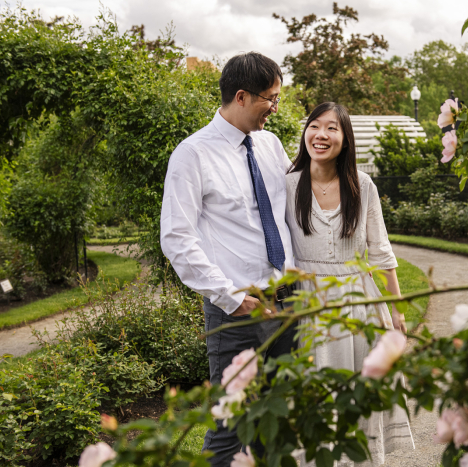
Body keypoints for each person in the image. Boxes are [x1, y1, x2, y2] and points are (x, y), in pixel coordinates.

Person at [159, 52, 297, 467]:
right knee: (229, 427)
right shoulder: (193, 154)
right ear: (241, 96)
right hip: (236, 310)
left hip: (288, 300)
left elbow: (294, 206)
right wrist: (229, 297)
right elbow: (177, 237)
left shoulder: (271, 146)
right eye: (270, 99)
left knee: (279, 417)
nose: (275, 108)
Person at [286, 102, 415, 466]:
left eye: (332, 128)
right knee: (315, 394)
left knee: (360, 394)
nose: (321, 135)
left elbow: (382, 253)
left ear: (345, 139)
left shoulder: (363, 185)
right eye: (314, 126)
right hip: (309, 303)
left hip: (360, 304)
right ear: (305, 132)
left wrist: (398, 312)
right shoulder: (287, 184)